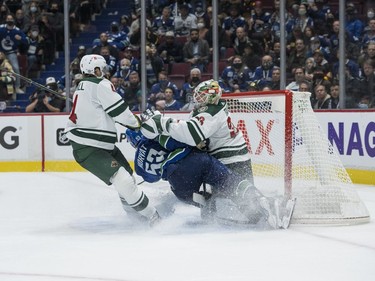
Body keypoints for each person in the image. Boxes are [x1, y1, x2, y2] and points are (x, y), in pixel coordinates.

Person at [64, 54, 160, 226]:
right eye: (102, 68)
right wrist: (137, 124)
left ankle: (135, 217)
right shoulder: (100, 84)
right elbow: (120, 112)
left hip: (101, 144)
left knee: (127, 179)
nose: (105, 72)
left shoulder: (82, 86)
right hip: (89, 146)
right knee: (123, 180)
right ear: (95, 70)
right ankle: (152, 216)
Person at [125, 129, 281, 228]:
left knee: (188, 197)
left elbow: (152, 178)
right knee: (228, 179)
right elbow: (182, 143)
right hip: (198, 161)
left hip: (178, 180)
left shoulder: (138, 167)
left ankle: (210, 207)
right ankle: (260, 200)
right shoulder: (157, 137)